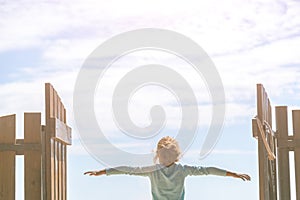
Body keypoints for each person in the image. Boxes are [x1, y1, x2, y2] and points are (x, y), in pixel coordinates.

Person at [84, 136, 251, 200]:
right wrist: (233, 174)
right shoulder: (183, 169)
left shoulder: (152, 170)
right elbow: (208, 170)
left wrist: (103, 172)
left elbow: (128, 169)